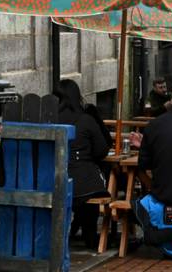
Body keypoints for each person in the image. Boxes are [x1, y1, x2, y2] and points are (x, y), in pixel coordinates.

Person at [54, 79, 111, 248]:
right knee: (89, 194)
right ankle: (90, 235)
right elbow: (101, 150)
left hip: (53, 178)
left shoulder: (49, 119)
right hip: (84, 182)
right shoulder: (86, 120)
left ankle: (69, 233)